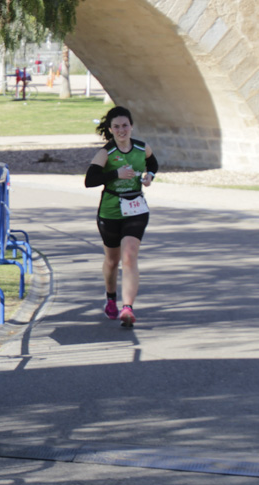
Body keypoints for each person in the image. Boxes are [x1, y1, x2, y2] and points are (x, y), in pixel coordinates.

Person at [84, 106, 158, 328]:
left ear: (131, 126)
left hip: (136, 207)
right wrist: (115, 174)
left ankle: (128, 308)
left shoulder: (141, 148)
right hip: (110, 210)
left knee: (129, 257)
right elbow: (90, 180)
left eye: (125, 125)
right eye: (116, 127)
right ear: (111, 129)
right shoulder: (106, 153)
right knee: (112, 260)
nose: (121, 130)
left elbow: (153, 163)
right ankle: (110, 297)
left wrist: (150, 176)